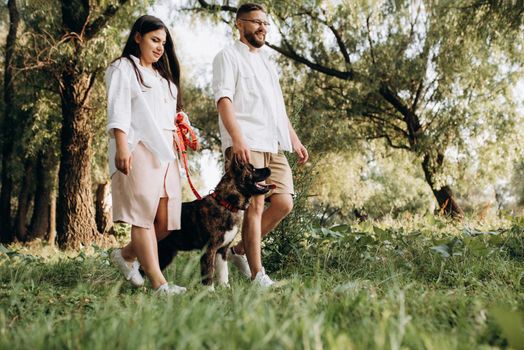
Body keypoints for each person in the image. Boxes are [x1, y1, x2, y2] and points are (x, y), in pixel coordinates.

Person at [212, 3, 309, 287]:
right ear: (239, 24)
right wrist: (237, 139)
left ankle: (239, 251)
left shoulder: (268, 62)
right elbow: (224, 100)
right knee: (253, 205)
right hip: (246, 141)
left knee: (283, 202)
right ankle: (258, 276)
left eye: (265, 23)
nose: (262, 28)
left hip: (272, 142)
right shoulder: (227, 57)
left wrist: (294, 139)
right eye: (255, 22)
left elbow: (277, 107)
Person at [106, 15, 186, 295]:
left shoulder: (164, 79)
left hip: (166, 154)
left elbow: (169, 115)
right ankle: (159, 284)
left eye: (163, 43)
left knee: (164, 222)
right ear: (138, 36)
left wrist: (184, 129)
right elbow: (118, 109)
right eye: (154, 40)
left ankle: (126, 255)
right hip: (137, 148)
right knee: (142, 217)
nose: (160, 47)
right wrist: (122, 145)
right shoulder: (123, 68)